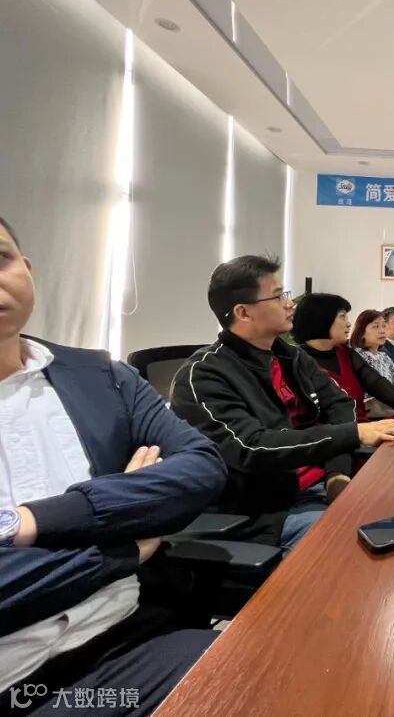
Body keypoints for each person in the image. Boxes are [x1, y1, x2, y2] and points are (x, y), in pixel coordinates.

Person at [0, 216, 228, 714]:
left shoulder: (99, 374)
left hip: (130, 637)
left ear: (27, 269)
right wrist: (122, 547)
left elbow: (202, 466)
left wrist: (30, 522)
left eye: (1, 259)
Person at [170, 256, 394, 554]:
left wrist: (336, 474)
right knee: (359, 548)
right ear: (243, 312)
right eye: (277, 297)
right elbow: (252, 446)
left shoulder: (290, 357)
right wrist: (354, 434)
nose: (290, 304)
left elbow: (340, 405)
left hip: (319, 485)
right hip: (270, 509)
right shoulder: (203, 376)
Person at [292, 294, 394, 421]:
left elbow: (376, 383)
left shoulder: (346, 352)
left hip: (364, 426)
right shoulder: (297, 360)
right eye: (343, 317)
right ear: (322, 319)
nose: (349, 324)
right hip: (342, 431)